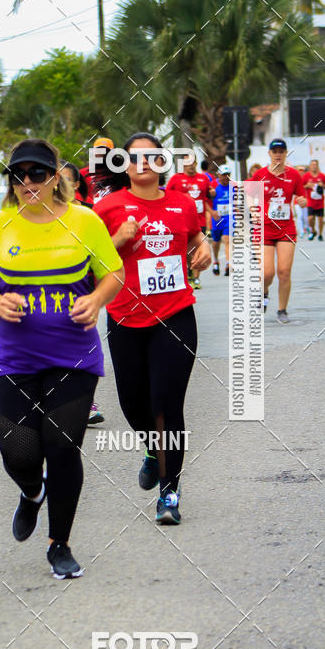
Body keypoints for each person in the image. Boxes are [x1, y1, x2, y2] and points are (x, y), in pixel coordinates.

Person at [0, 139, 123, 578]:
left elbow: (113, 271)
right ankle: (32, 492)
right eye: (19, 175)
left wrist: (95, 299)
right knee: (19, 455)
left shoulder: (84, 221)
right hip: (15, 358)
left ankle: (60, 544)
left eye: (38, 173)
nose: (29, 182)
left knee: (62, 446)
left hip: (73, 355)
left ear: (56, 177)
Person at [94, 132, 211, 525]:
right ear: (123, 166)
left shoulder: (182, 203)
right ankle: (150, 448)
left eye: (151, 157)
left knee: (166, 405)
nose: (143, 163)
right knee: (132, 404)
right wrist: (117, 239)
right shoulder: (107, 207)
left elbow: (194, 234)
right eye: (134, 158)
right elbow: (89, 261)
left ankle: (169, 493)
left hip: (175, 314)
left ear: (163, 163)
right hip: (125, 316)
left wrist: (204, 244)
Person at [61, 161, 104, 426]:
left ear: (77, 184)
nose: (59, 185)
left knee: (84, 343)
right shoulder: (39, 214)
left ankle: (86, 402)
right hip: (48, 290)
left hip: (83, 289)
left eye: (66, 179)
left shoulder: (90, 214)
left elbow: (104, 253)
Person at [251, 139, 306, 323]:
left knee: (284, 271)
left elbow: (301, 196)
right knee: (267, 273)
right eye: (274, 151)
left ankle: (282, 310)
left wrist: (302, 201)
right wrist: (253, 209)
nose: (278, 154)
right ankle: (264, 291)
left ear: (285, 153)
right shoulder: (260, 175)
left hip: (286, 228)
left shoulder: (294, 175)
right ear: (269, 153)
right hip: (264, 228)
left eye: (281, 151)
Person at [166, 153, 213, 289]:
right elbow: (166, 195)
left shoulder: (203, 179)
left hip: (200, 220)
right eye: (188, 162)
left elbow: (208, 196)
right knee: (187, 250)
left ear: (196, 164)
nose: (191, 165)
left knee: (198, 248)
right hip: (182, 220)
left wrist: (212, 193)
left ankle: (196, 278)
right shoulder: (176, 179)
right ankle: (189, 272)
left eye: (193, 162)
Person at [210, 165, 234, 275]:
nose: (226, 177)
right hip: (217, 219)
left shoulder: (234, 187)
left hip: (229, 218)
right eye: (224, 175)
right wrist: (211, 211)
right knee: (216, 242)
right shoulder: (213, 186)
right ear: (219, 175)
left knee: (227, 239)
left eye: (228, 175)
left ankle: (229, 264)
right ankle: (215, 260)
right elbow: (206, 200)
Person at [302, 159, 325, 241]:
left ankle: (320, 234)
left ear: (317, 166)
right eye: (312, 165)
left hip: (320, 202)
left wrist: (323, 185)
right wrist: (307, 185)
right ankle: (313, 230)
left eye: (315, 165)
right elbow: (301, 186)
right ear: (310, 166)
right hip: (310, 201)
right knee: (310, 218)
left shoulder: (322, 176)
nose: (314, 166)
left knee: (320, 219)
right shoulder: (306, 176)